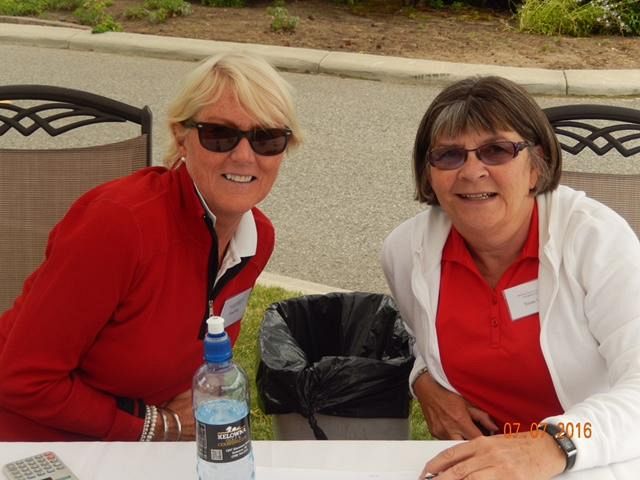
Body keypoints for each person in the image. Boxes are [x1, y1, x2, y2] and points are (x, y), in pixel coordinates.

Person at [0, 52, 302, 442]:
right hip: (34, 442)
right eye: (219, 134)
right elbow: (23, 379)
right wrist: (157, 425)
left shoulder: (257, 239)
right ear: (180, 136)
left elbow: (205, 344)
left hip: (135, 447)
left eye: (267, 138)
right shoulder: (119, 225)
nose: (244, 156)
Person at [381, 76, 640, 478]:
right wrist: (423, 381)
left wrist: (552, 443)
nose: (471, 171)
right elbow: (420, 340)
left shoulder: (598, 242)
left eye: (496, 150)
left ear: (537, 166)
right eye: (449, 156)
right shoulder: (405, 252)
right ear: (428, 174)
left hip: (596, 460)